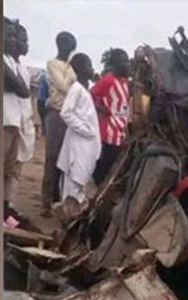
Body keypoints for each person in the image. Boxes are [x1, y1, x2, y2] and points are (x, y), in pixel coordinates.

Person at [56, 53, 101, 218]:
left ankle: (74, 216)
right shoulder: (76, 89)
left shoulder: (83, 89)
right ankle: (68, 217)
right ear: (81, 68)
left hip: (85, 145)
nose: (92, 69)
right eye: (89, 65)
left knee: (80, 182)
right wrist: (86, 130)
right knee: (73, 183)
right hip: (79, 143)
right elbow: (65, 113)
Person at [41, 31, 77, 216]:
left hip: (69, 116)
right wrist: (73, 83)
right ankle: (47, 201)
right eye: (67, 43)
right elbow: (63, 86)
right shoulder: (52, 64)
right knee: (52, 158)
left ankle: (58, 200)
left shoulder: (70, 67)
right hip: (56, 113)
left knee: (64, 160)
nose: (70, 46)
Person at [3, 19, 35, 222]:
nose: (15, 41)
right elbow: (22, 90)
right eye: (10, 36)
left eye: (17, 37)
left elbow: (22, 91)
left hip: (16, 123)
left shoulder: (14, 64)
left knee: (11, 170)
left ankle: (6, 209)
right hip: (5, 121)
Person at [90, 48, 130, 185]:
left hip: (120, 131)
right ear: (115, 65)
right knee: (106, 163)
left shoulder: (124, 81)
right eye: (123, 62)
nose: (127, 65)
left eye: (127, 61)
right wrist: (101, 109)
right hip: (108, 132)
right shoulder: (108, 80)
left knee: (115, 164)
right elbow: (90, 95)